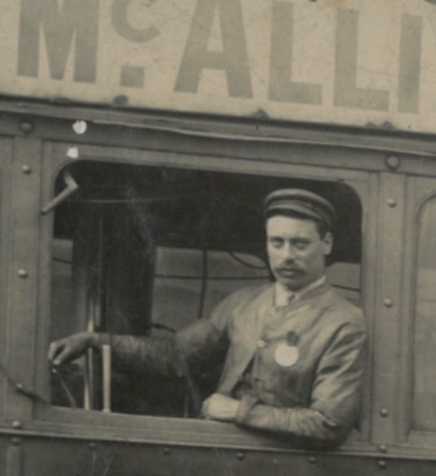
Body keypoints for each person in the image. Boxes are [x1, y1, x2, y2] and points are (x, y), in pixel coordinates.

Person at [48, 188, 367, 449]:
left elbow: (329, 424)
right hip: (218, 456)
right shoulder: (244, 303)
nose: (286, 256)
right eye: (277, 242)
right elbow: (175, 356)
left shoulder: (343, 322)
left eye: (300, 244)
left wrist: (239, 411)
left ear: (326, 244)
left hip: (280, 474)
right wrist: (95, 342)